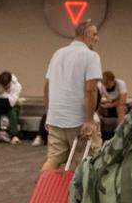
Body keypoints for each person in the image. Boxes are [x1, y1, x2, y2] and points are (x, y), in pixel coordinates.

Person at [41, 20, 103, 172]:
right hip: (78, 120)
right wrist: (89, 120)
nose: (97, 38)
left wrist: (49, 114)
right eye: (95, 34)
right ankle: (79, 195)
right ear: (86, 34)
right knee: (88, 162)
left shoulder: (58, 53)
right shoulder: (91, 56)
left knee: (54, 159)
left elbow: (47, 86)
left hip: (56, 118)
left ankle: (42, 192)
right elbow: (90, 90)